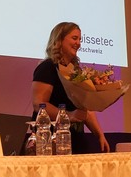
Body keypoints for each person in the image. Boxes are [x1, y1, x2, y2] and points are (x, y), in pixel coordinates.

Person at [31, 22, 110, 153]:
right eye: (74, 38)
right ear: (59, 40)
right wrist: (69, 115)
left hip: (75, 138)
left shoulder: (76, 72)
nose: (78, 43)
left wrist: (100, 135)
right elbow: (39, 104)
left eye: (80, 39)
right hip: (50, 140)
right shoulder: (47, 67)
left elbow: (86, 110)